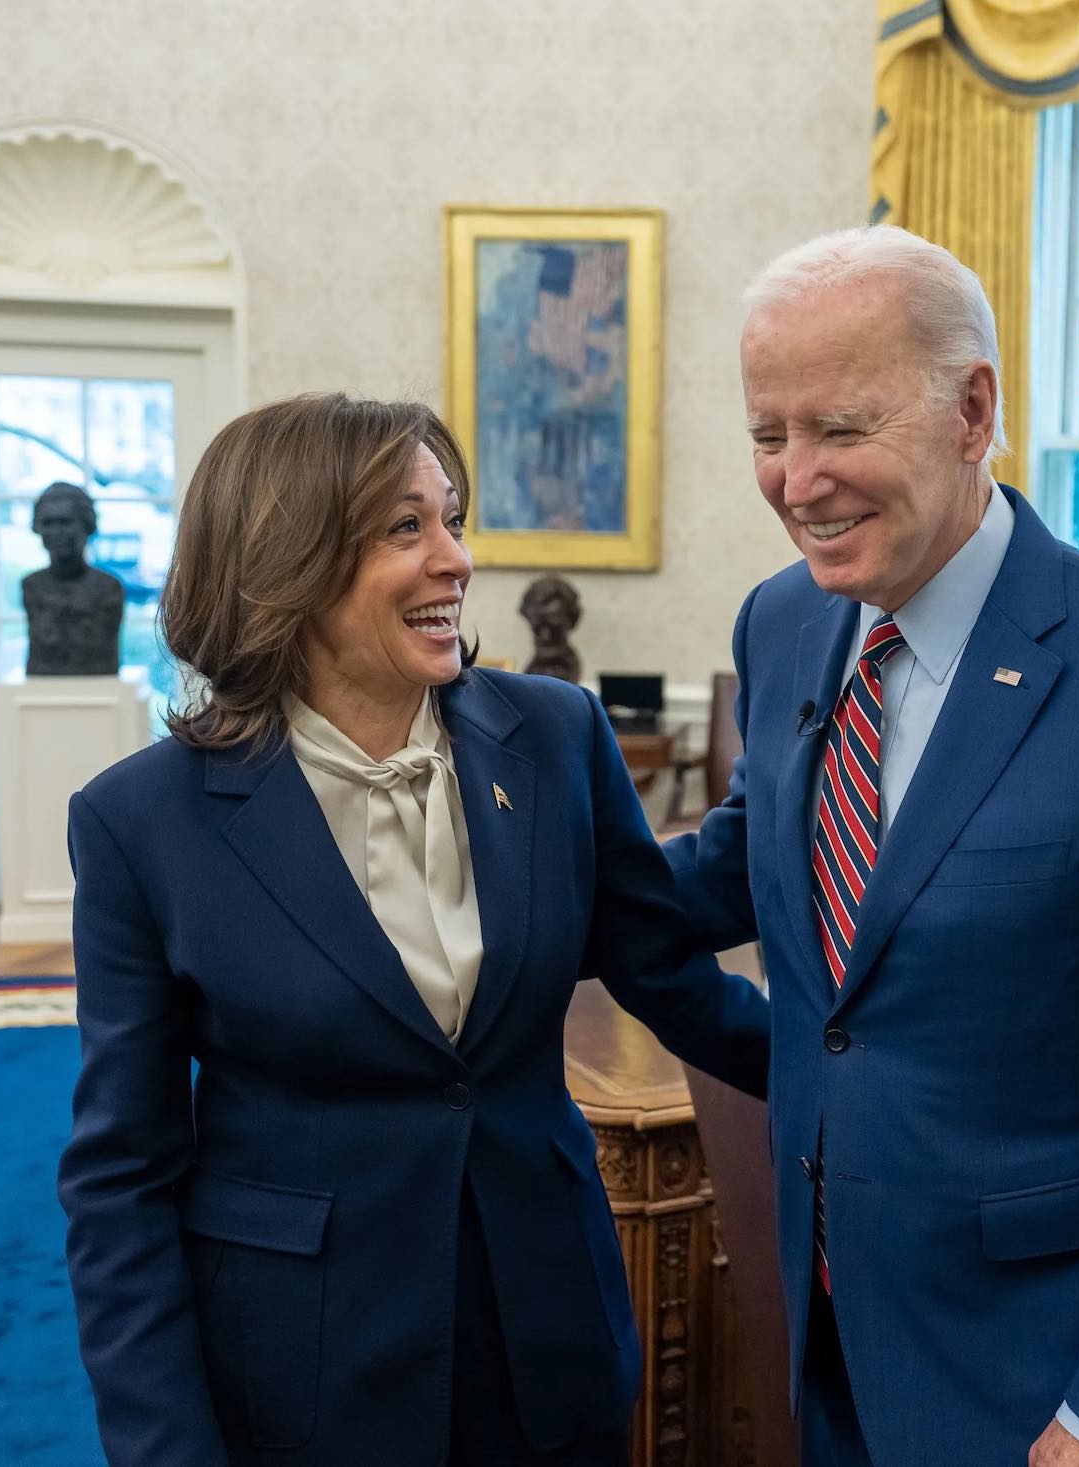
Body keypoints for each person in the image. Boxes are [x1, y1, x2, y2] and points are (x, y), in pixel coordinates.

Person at [667, 227, 1079, 1466]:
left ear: (972, 411)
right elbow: (758, 856)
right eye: (766, 435)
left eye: (840, 430)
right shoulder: (787, 620)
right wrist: (500, 857)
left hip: (1040, 1376)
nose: (796, 482)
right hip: (831, 1323)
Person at [56, 393, 769, 1467]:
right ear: (283, 559)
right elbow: (122, 1178)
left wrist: (867, 1077)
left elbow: (662, 964)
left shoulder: (555, 736)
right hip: (307, 1365)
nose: (456, 559)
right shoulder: (137, 824)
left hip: (551, 1338)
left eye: (453, 518)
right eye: (406, 527)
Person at [22, 480, 126, 675]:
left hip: (100, 690)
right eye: (48, 523)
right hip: (41, 691)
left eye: (65, 522)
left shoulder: (109, 588)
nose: (56, 532)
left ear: (86, 526)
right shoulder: (31, 586)